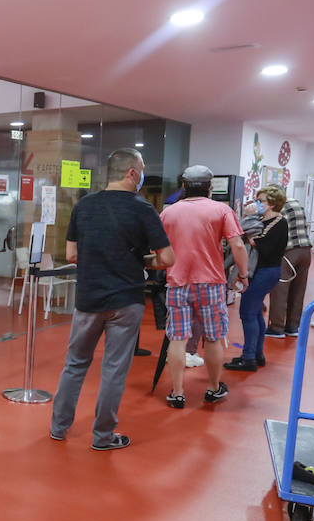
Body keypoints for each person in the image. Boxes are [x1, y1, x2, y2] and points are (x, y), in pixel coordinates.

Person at [50, 149, 173, 450]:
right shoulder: (143, 209)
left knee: (75, 364)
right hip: (125, 301)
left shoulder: (84, 206)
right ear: (132, 173)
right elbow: (166, 257)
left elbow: (71, 255)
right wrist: (143, 262)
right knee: (114, 369)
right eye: (142, 170)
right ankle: (103, 437)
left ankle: (58, 427)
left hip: (88, 298)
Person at [159, 165, 249, 408]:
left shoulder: (168, 212)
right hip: (210, 282)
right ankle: (213, 388)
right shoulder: (221, 210)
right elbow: (238, 246)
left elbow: (158, 249)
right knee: (213, 338)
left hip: (177, 282)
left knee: (177, 339)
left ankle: (177, 393)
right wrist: (243, 274)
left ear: (184, 187)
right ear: (210, 187)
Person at [227, 186, 289, 372]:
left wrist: (250, 225)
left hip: (265, 272)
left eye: (260, 201)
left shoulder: (279, 223)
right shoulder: (265, 221)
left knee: (247, 313)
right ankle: (256, 353)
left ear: (271, 203)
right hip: (263, 271)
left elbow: (261, 246)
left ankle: (248, 357)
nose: (257, 204)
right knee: (254, 313)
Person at [263, 192, 313, 338]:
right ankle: (292, 326)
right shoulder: (296, 202)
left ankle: (276, 327)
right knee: (298, 290)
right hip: (305, 251)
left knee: (280, 291)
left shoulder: (278, 207)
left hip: (288, 253)